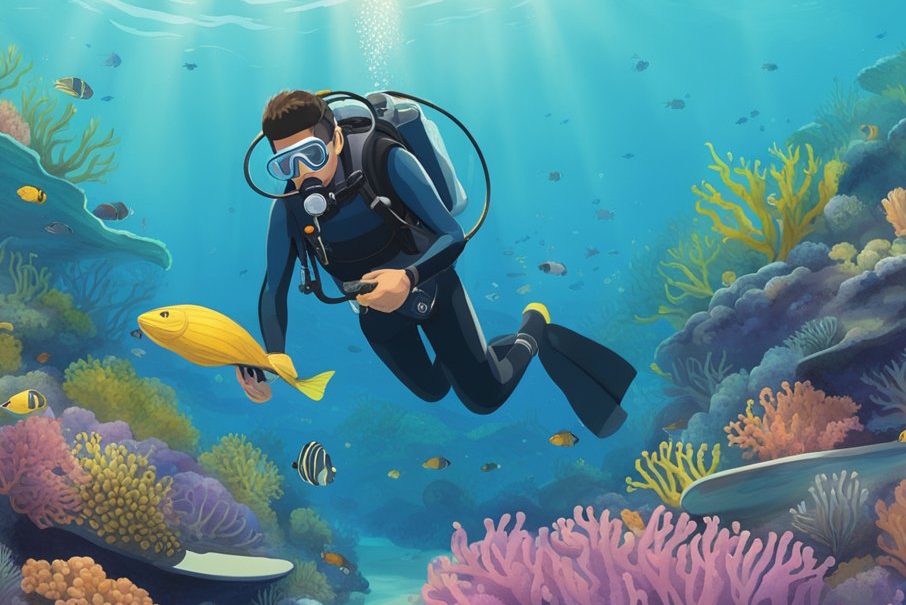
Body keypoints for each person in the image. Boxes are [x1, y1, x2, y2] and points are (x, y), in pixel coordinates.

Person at [235, 90, 636, 438]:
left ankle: (533, 329)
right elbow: (274, 288)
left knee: (483, 399)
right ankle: (479, 357)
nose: (302, 175)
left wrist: (408, 279)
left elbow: (452, 234)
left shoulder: (384, 158)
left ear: (337, 140)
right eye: (285, 164)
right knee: (431, 389)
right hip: (375, 311)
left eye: (311, 154)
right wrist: (269, 357)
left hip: (432, 283)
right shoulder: (287, 209)